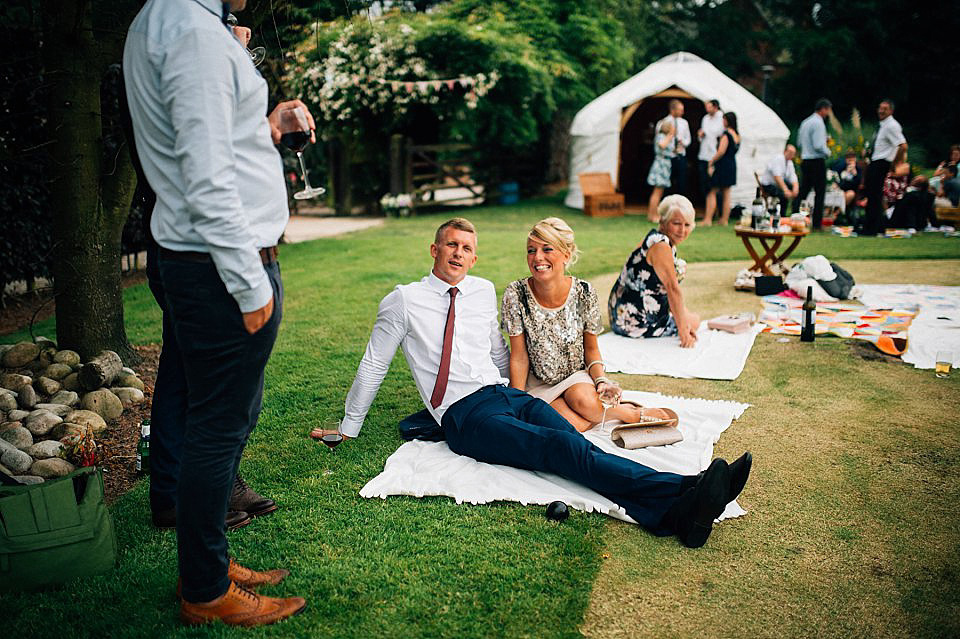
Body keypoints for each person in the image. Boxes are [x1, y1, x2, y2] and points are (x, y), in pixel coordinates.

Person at [340, 217, 751, 548]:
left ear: (474, 257)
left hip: (504, 396)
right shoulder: (403, 300)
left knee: (580, 448)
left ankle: (681, 515)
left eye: (466, 248)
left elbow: (499, 352)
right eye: (451, 245)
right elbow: (374, 363)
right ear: (435, 250)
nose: (457, 253)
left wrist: (517, 397)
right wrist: (348, 427)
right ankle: (690, 488)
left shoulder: (481, 291)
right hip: (463, 416)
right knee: (561, 447)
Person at [124, 0, 308, 626]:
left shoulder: (174, 20)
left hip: (203, 264)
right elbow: (204, 176)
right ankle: (204, 590)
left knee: (223, 416)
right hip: (219, 269)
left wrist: (269, 125)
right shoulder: (188, 30)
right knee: (218, 426)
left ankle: (210, 559)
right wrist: (248, 281)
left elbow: (209, 141)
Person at [500, 218, 674, 433]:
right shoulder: (515, 293)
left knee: (583, 402)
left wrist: (600, 381)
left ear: (566, 254)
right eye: (531, 250)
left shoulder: (584, 292)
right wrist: (519, 401)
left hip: (575, 376)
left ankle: (629, 414)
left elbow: (591, 348)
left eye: (547, 249)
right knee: (574, 425)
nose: (537, 258)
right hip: (536, 382)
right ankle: (606, 412)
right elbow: (518, 356)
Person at [608, 195, 700, 347]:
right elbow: (672, 289)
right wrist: (683, 330)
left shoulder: (656, 239)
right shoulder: (661, 246)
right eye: (676, 223)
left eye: (687, 224)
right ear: (663, 221)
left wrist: (683, 319)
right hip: (633, 321)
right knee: (695, 320)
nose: (682, 230)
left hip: (620, 313)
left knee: (688, 317)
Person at [863, 99, 908, 236]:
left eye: (885, 109)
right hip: (876, 161)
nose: (881, 111)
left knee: (874, 196)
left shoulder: (891, 126)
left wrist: (894, 163)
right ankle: (877, 226)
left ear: (891, 111)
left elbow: (903, 145)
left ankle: (871, 228)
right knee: (873, 195)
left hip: (881, 162)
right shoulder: (882, 126)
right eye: (880, 108)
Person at [795, 99, 833, 229]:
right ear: (823, 109)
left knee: (803, 191)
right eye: (828, 110)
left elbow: (799, 143)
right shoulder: (818, 123)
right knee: (819, 193)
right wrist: (828, 151)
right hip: (816, 161)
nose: (828, 114)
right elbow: (818, 146)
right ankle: (817, 223)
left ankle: (794, 217)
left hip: (805, 159)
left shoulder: (805, 122)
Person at [704, 112, 740, 226]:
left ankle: (708, 219)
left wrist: (712, 161)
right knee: (727, 193)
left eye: (724, 120)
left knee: (712, 190)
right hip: (732, 164)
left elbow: (721, 151)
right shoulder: (737, 135)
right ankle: (724, 219)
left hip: (723, 164)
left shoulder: (726, 134)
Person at [646, 119, 676, 222]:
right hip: (661, 164)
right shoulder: (662, 137)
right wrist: (671, 135)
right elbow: (662, 145)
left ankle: (653, 214)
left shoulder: (666, 138)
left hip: (666, 164)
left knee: (659, 191)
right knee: (657, 191)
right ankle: (652, 215)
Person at [697, 99, 724, 212]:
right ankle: (708, 210)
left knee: (714, 186)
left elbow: (718, 134)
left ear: (715, 107)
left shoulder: (722, 118)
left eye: (709, 107)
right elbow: (703, 135)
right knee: (705, 184)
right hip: (703, 154)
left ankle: (717, 211)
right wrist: (700, 135)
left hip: (714, 156)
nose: (707, 109)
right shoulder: (705, 118)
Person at [759, 144, 800, 214]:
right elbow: (777, 177)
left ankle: (795, 213)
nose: (791, 155)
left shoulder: (789, 163)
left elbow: (793, 176)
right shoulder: (778, 159)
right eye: (790, 152)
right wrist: (786, 190)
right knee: (783, 195)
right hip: (768, 185)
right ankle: (781, 215)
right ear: (785, 151)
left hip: (777, 184)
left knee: (796, 191)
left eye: (793, 153)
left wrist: (795, 188)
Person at [667, 99, 692, 196]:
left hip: (681, 155)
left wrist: (683, 142)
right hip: (669, 156)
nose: (683, 112)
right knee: (668, 181)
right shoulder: (665, 122)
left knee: (682, 181)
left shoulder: (684, 123)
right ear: (673, 110)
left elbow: (688, 139)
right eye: (680, 110)